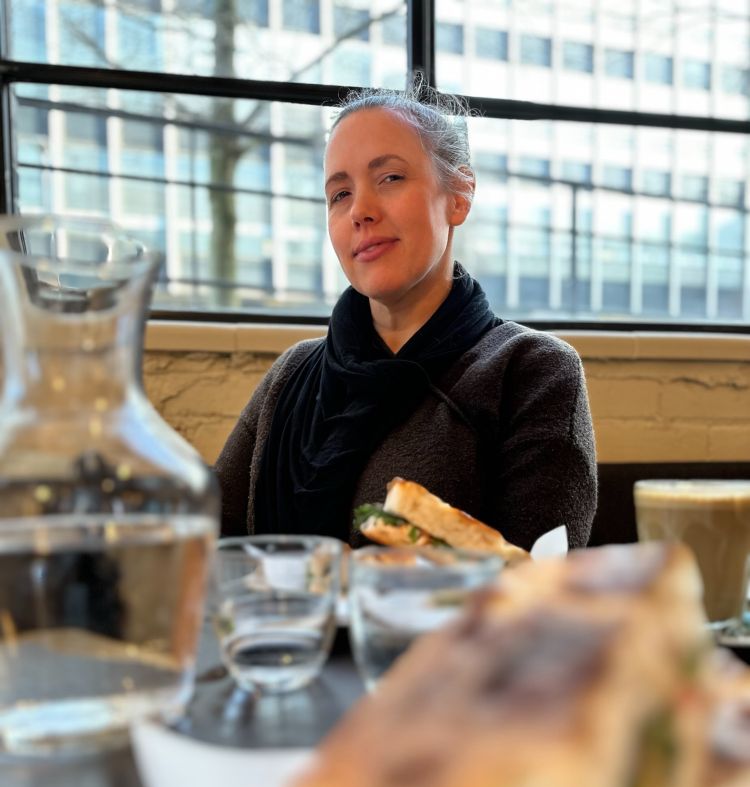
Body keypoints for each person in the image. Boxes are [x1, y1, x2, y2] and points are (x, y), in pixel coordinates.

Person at [216, 83, 597, 550]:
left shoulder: (529, 369)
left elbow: (536, 594)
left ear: (458, 196)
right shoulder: (293, 374)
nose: (360, 211)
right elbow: (210, 550)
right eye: (339, 194)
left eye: (391, 178)